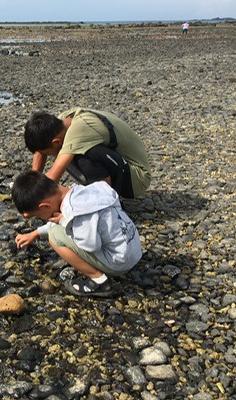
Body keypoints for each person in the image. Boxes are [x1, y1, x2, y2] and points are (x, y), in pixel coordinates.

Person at [12, 170, 142, 297]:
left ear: (45, 206)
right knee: (58, 228)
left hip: (119, 263)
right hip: (134, 250)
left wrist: (64, 222)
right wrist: (36, 233)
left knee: (54, 236)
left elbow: (91, 245)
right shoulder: (85, 192)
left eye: (38, 215)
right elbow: (66, 220)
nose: (44, 218)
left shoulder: (75, 210)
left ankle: (99, 281)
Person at [24, 108, 151, 199]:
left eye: (48, 153)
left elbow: (54, 175)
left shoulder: (79, 130)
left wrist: (29, 199)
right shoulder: (61, 122)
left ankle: (105, 203)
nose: (49, 155)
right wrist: (31, 180)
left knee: (83, 155)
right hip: (121, 166)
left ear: (56, 141)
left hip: (136, 179)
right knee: (69, 150)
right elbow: (39, 152)